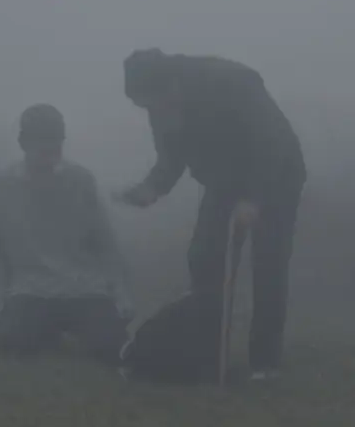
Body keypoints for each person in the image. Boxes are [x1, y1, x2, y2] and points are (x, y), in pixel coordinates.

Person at [115, 49, 307, 379]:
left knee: (268, 262)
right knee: (204, 257)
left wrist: (254, 197)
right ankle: (207, 352)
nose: (153, 111)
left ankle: (264, 362)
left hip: (277, 174)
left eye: (154, 102)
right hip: (223, 180)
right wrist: (152, 188)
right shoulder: (158, 101)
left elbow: (270, 141)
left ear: (171, 85)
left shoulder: (232, 82)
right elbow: (172, 155)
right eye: (144, 106)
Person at [0, 103, 133, 362]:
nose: (49, 149)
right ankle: (43, 330)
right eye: (40, 141)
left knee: (111, 348)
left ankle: (73, 329)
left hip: (85, 289)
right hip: (30, 290)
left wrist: (120, 295)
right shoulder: (1, 188)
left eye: (55, 142)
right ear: (23, 142)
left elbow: (106, 243)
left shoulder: (82, 180)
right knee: (7, 344)